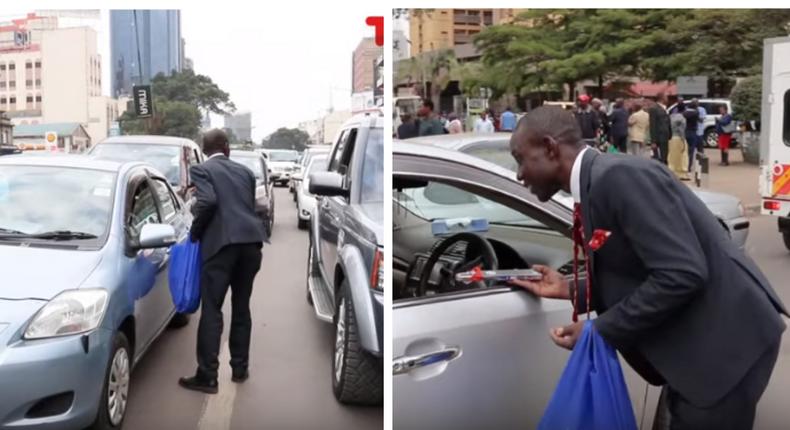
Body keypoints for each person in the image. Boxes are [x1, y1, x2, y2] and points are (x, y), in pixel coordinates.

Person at [508, 107, 787, 430]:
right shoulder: (597, 179)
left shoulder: (618, 177)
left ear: (550, 148)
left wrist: (600, 329)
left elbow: (682, 273)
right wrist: (571, 289)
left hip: (724, 351)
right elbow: (634, 269)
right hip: (699, 352)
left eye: (521, 159)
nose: (518, 174)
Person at [179, 129, 266, 394]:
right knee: (242, 308)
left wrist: (195, 233)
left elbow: (208, 201)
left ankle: (208, 376)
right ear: (226, 148)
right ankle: (240, 369)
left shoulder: (202, 170)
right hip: (251, 245)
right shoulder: (246, 172)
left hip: (220, 247)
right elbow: (245, 207)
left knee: (212, 310)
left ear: (205, 150)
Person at [669, 103, 691, 180]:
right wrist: (683, 140)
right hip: (679, 138)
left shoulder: (671, 117)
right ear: (684, 109)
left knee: (672, 156)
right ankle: (682, 174)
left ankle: (672, 172)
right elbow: (681, 130)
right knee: (683, 156)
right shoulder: (682, 118)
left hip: (672, 138)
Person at [648, 93, 672, 164]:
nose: (667, 99)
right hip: (659, 137)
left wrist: (670, 134)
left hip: (665, 136)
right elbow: (652, 125)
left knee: (665, 156)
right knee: (659, 158)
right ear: (661, 98)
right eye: (666, 97)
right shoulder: (654, 109)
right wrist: (653, 141)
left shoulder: (664, 108)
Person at [683, 99, 701, 172]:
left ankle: (684, 165)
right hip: (693, 132)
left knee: (685, 150)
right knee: (691, 151)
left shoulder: (684, 113)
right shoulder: (696, 113)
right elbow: (698, 119)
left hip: (685, 132)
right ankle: (688, 166)